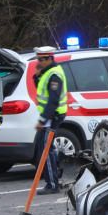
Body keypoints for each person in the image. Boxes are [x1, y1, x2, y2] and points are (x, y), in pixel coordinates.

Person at [32, 46, 68, 194]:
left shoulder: (54, 75)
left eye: (41, 59)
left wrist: (42, 120)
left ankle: (52, 185)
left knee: (46, 150)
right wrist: (36, 76)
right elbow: (42, 92)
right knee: (45, 148)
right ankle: (54, 179)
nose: (39, 62)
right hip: (49, 117)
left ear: (49, 58)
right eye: (38, 59)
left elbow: (52, 101)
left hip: (53, 117)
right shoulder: (47, 73)